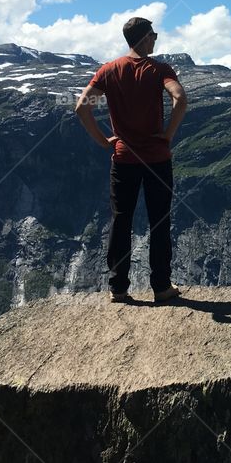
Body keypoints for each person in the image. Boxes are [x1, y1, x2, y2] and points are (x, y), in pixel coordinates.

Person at [75, 17, 188, 303]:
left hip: (123, 158)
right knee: (159, 221)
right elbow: (180, 98)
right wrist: (167, 134)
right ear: (144, 38)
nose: (156, 39)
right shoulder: (160, 69)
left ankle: (118, 288)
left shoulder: (109, 70)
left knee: (121, 220)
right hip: (157, 159)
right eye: (154, 35)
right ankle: (161, 286)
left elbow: (81, 107)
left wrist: (104, 141)